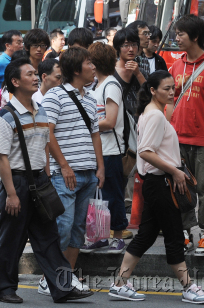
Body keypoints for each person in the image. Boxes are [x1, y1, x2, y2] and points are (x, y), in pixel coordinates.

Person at [0, 58, 93, 303]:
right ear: (15, 82)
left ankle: (62, 287)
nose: (36, 77)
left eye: (36, 73)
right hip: (16, 183)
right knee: (11, 239)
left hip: (40, 181)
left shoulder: (41, 110)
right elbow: (2, 158)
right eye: (30, 74)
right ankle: (4, 289)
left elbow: (44, 146)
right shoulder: (5, 116)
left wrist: (46, 176)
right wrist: (12, 194)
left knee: (48, 238)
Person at [109, 71, 204, 304]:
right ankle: (188, 287)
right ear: (153, 90)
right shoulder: (154, 115)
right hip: (161, 183)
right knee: (174, 236)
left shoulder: (152, 112)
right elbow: (145, 151)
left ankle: (120, 284)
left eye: (173, 88)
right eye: (166, 88)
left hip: (157, 183)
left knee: (145, 236)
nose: (171, 91)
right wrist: (174, 171)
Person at [41, 47, 105, 293]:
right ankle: (50, 278)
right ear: (77, 69)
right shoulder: (54, 96)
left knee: (79, 228)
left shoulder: (90, 98)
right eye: (89, 63)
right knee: (63, 227)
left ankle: (66, 277)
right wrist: (64, 166)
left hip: (88, 174)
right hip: (64, 174)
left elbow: (95, 134)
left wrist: (100, 167)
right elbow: (47, 133)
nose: (93, 67)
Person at [166, 15, 204, 256]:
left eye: (180, 34)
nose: (176, 38)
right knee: (181, 188)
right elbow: (170, 100)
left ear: (194, 37)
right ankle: (184, 232)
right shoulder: (177, 65)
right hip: (178, 139)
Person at [85, 42, 130, 253]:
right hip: (98, 150)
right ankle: (100, 235)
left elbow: (110, 121)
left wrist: (85, 125)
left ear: (96, 63)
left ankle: (118, 236)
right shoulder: (96, 86)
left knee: (113, 195)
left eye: (89, 61)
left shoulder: (111, 85)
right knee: (98, 197)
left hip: (110, 150)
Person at [113, 28, 147, 118]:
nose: (131, 49)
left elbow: (150, 95)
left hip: (138, 122)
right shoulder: (111, 71)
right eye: (126, 45)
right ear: (118, 48)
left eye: (134, 45)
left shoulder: (141, 71)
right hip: (118, 121)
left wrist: (138, 74)